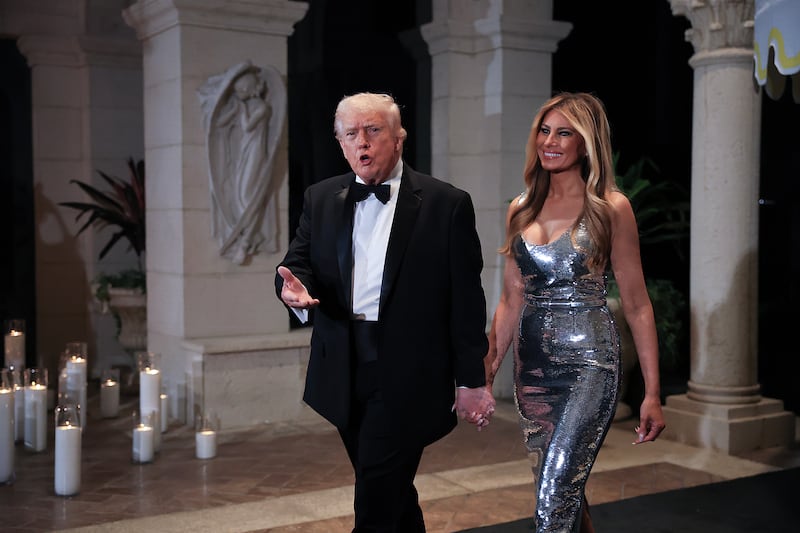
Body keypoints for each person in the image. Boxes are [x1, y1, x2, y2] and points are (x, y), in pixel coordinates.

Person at [275, 92, 495, 532]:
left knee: (374, 503)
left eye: (373, 131)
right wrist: (292, 290)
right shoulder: (320, 198)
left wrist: (471, 379)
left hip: (409, 373)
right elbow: (298, 263)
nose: (363, 143)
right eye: (351, 134)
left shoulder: (446, 204)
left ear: (399, 138)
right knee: (390, 492)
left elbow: (466, 302)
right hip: (341, 366)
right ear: (339, 143)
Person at [483, 92, 666, 533]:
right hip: (534, 373)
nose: (550, 141)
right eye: (544, 131)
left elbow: (638, 305)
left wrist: (652, 393)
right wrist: (486, 372)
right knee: (565, 493)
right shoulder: (520, 208)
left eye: (564, 133)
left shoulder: (610, 208)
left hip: (590, 367)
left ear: (586, 143)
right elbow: (511, 299)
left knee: (553, 502)